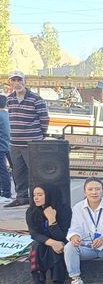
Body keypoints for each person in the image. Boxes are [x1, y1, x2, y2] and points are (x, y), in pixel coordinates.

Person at [64, 178, 103, 284]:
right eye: (90, 189)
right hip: (86, 247)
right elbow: (74, 228)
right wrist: (74, 237)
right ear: (84, 192)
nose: (94, 192)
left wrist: (101, 239)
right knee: (69, 246)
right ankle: (76, 280)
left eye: (97, 189)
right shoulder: (77, 208)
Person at [5, 71, 49, 207]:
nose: (17, 83)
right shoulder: (9, 99)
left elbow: (44, 119)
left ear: (25, 81)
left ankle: (38, 199)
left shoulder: (36, 99)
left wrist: (40, 136)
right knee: (18, 173)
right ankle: (21, 197)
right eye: (14, 80)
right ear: (10, 83)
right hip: (15, 144)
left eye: (19, 80)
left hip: (32, 143)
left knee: (36, 173)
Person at [25, 183, 71, 284]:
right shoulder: (31, 211)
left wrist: (51, 220)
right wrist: (52, 242)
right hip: (43, 241)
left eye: (40, 195)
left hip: (60, 240)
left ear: (50, 195)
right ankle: (38, 282)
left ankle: (58, 281)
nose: (36, 198)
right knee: (37, 246)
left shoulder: (64, 209)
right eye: (34, 195)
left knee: (59, 246)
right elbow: (34, 234)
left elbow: (61, 235)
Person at [0, 94, 12, 203]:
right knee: (6, 170)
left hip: (1, 146)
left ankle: (6, 193)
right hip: (7, 145)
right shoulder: (6, 114)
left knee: (2, 171)